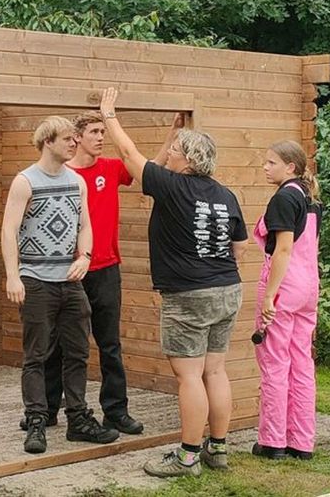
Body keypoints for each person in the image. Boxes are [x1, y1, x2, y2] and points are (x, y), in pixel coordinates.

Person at [97, 88, 247, 477]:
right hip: (227, 289)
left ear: (188, 160)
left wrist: (109, 115)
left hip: (188, 295)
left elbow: (131, 156)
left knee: (189, 376)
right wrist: (171, 134)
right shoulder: (226, 194)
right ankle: (218, 450)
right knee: (215, 371)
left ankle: (187, 457)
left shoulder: (173, 187)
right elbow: (240, 246)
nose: (172, 155)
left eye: (177, 150)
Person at [1, 115, 121, 455]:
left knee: (78, 352)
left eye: (74, 138)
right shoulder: (25, 182)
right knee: (36, 355)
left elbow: (85, 224)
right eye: (68, 139)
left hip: (70, 282)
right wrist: (13, 275)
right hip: (37, 280)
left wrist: (84, 256)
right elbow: (8, 229)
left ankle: (78, 419)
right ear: (48, 142)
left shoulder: (76, 181)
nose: (74, 143)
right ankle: (37, 419)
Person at [27, 111, 144, 435]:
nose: (100, 137)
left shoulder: (108, 168)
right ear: (76, 138)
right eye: (94, 131)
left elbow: (145, 168)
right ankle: (48, 410)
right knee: (55, 344)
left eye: (102, 131)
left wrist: (171, 135)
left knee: (109, 344)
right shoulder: (60, 175)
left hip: (105, 268)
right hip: (68, 272)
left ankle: (116, 412)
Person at [251, 140, 322, 461]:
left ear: (290, 167)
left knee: (275, 364)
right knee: (302, 364)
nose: (265, 168)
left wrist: (269, 296)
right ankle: (301, 442)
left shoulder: (282, 199)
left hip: (284, 285)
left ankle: (273, 442)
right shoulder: (310, 199)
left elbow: (283, 250)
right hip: (308, 288)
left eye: (271, 163)